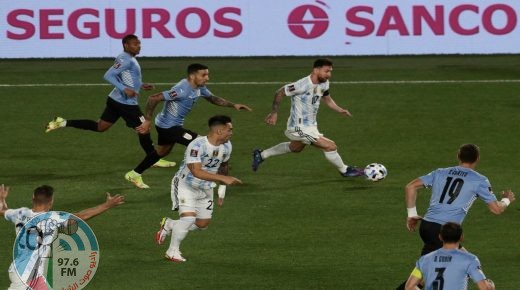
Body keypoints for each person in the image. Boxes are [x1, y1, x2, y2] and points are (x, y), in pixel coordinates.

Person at [44, 34, 175, 168]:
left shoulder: (127, 58)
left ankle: (62, 122)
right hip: (126, 104)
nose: (139, 46)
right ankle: (153, 159)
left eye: (139, 43)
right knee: (144, 128)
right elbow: (108, 75)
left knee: (101, 127)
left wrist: (140, 85)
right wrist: (124, 89)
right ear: (126, 45)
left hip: (115, 100)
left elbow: (124, 76)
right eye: (135, 44)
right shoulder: (125, 59)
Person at [396, 143, 515, 290]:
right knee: (461, 263)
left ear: (458, 156)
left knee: (432, 269)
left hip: (427, 226)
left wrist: (412, 214)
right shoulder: (479, 180)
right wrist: (506, 200)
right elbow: (496, 209)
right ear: (477, 159)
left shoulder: (440, 172)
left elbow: (410, 186)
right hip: (445, 231)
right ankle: (486, 286)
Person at [124, 63, 252, 189]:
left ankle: (134, 174)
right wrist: (147, 120)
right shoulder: (182, 89)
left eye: (207, 75)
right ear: (192, 76)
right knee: (201, 142)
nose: (207, 78)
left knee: (161, 152)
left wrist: (233, 105)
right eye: (203, 75)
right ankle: (211, 173)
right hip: (169, 127)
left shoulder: (199, 87)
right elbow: (153, 98)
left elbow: (212, 98)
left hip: (167, 124)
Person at [251, 58, 364, 177]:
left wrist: (340, 109)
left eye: (330, 71)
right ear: (316, 70)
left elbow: (327, 99)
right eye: (326, 71)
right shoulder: (302, 85)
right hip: (297, 127)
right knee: (330, 146)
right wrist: (274, 113)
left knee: (295, 148)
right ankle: (345, 170)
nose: (329, 75)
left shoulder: (324, 83)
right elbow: (280, 92)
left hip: (311, 126)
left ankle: (261, 155)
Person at [0, 184, 125, 290]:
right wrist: (107, 205)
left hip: (27, 272)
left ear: (33, 198)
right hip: (26, 276)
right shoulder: (52, 218)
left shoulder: (21, 213)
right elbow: (80, 216)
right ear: (51, 201)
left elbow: (3, 211)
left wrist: (2, 199)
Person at [154, 115, 242, 262]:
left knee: (202, 224)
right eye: (229, 129)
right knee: (188, 219)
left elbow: (223, 166)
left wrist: (222, 189)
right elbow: (196, 171)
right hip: (185, 185)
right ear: (219, 131)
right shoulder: (196, 145)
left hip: (206, 187)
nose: (232, 132)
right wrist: (223, 179)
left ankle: (170, 224)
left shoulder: (227, 146)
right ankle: (172, 251)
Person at [405, 222, 495, 290]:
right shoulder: (470, 260)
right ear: (461, 237)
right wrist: (490, 285)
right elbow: (485, 288)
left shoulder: (424, 260)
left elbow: (409, 287)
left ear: (440, 237)